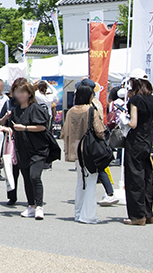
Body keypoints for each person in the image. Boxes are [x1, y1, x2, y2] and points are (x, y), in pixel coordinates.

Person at [0, 81, 51, 220]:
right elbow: (13, 128)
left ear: (29, 94)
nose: (19, 95)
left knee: (35, 176)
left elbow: (42, 127)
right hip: (21, 149)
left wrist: (25, 128)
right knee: (27, 178)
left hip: (38, 149)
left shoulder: (36, 108)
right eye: (17, 92)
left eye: (23, 92)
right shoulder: (15, 110)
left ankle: (39, 206)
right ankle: (31, 206)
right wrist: (6, 128)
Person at [60, 84, 106, 224]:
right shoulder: (91, 110)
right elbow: (99, 131)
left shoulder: (71, 111)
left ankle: (78, 212)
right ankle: (89, 215)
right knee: (91, 180)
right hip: (90, 150)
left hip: (76, 150)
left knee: (81, 181)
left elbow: (63, 132)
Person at [123, 69, 153, 226]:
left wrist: (123, 120)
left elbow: (133, 123)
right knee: (147, 178)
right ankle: (148, 213)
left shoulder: (135, 100)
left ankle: (137, 216)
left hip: (135, 142)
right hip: (147, 141)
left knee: (134, 178)